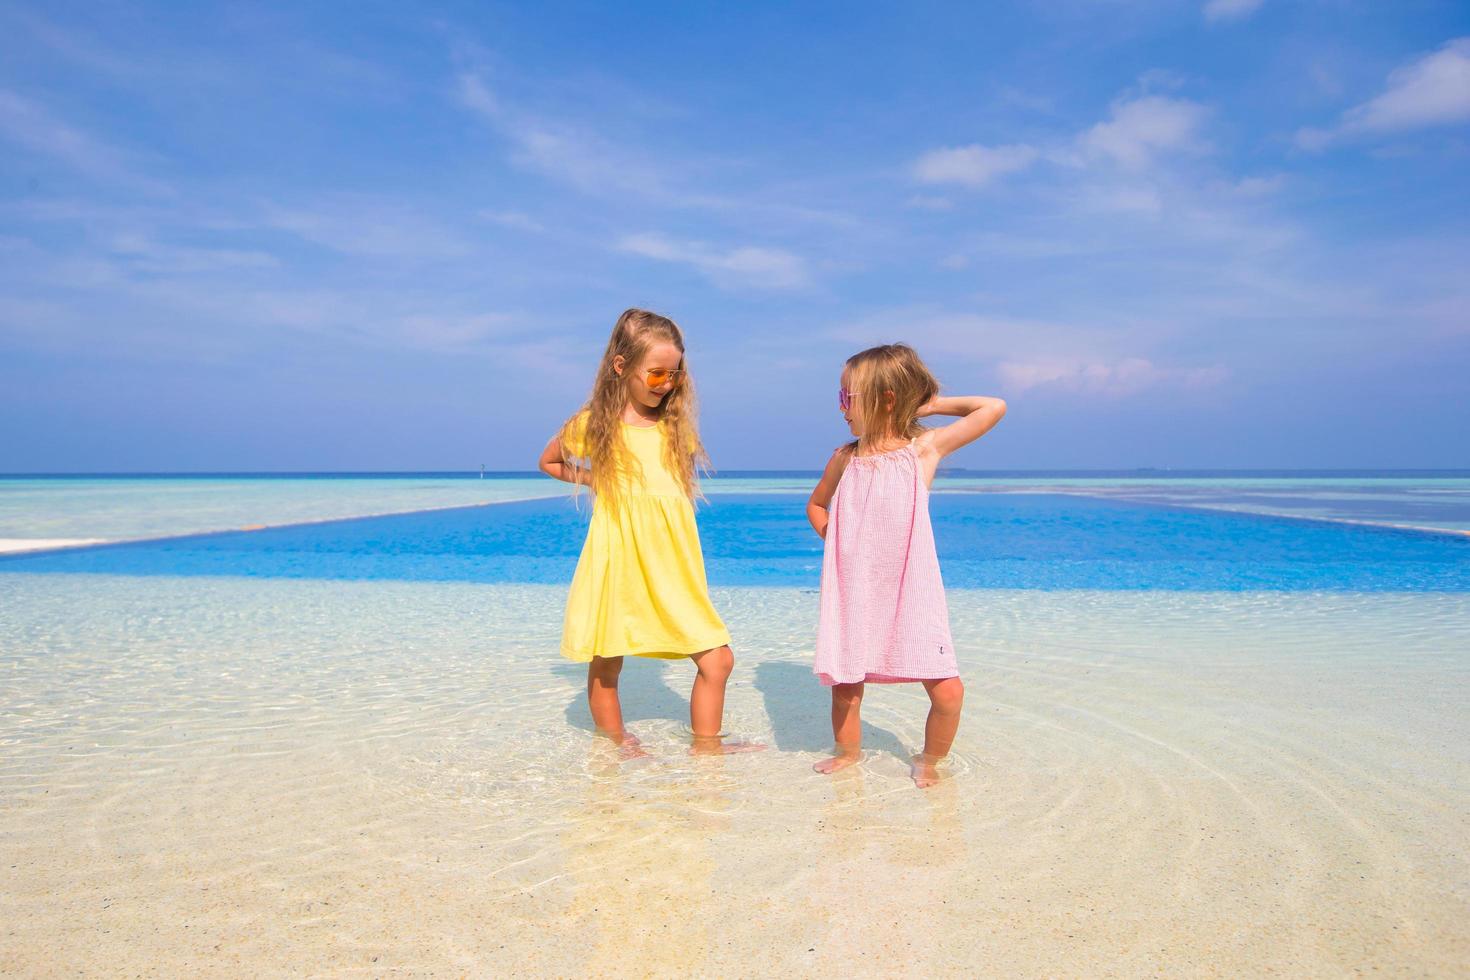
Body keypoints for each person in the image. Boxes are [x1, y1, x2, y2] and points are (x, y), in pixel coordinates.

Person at [538, 308, 761, 757]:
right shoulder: (596, 424)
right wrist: (595, 479)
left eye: (674, 375)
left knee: (718, 658)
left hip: (673, 564)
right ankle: (616, 742)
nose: (666, 384)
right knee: (608, 657)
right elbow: (550, 461)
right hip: (618, 556)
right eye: (656, 373)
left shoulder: (674, 427)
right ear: (622, 367)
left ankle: (706, 746)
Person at [806, 343, 1007, 786]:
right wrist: (834, 540)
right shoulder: (845, 458)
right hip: (856, 588)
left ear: (887, 398)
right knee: (846, 686)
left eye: (848, 398)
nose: (841, 409)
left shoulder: (923, 451)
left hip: (912, 591)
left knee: (948, 691)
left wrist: (929, 402)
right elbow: (817, 505)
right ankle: (848, 754)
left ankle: (930, 760)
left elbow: (992, 407)